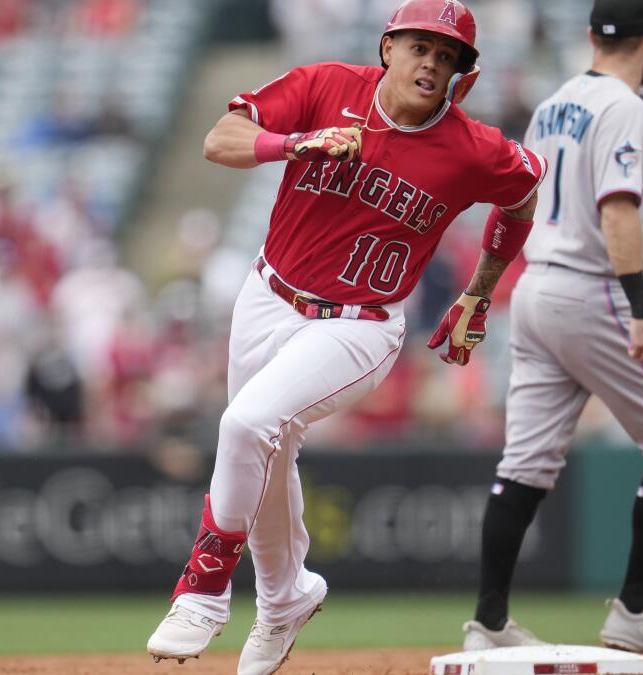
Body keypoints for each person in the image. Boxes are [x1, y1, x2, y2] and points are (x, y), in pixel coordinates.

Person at [145, 1, 548, 673]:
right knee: (266, 454)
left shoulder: (471, 146)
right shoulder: (325, 85)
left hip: (358, 325)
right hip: (267, 294)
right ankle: (285, 599)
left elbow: (523, 193)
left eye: (448, 57)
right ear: (388, 47)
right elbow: (220, 140)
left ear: (460, 75)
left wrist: (480, 289)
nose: (432, 63)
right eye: (421, 46)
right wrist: (296, 143)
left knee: (247, 424)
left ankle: (204, 588)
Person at [461, 0, 643, 664]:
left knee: (525, 464)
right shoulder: (626, 107)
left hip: (536, 287)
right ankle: (636, 607)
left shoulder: (552, 103)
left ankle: (488, 618)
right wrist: (639, 308)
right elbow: (618, 209)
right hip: (590, 285)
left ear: (589, 36)